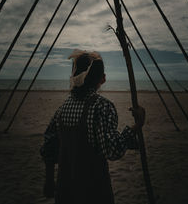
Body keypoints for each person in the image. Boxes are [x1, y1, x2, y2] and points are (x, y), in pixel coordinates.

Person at [40, 49, 145, 204]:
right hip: (94, 191)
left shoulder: (63, 108)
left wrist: (49, 181)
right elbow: (113, 150)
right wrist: (137, 125)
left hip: (65, 191)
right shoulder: (101, 106)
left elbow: (49, 145)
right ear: (102, 79)